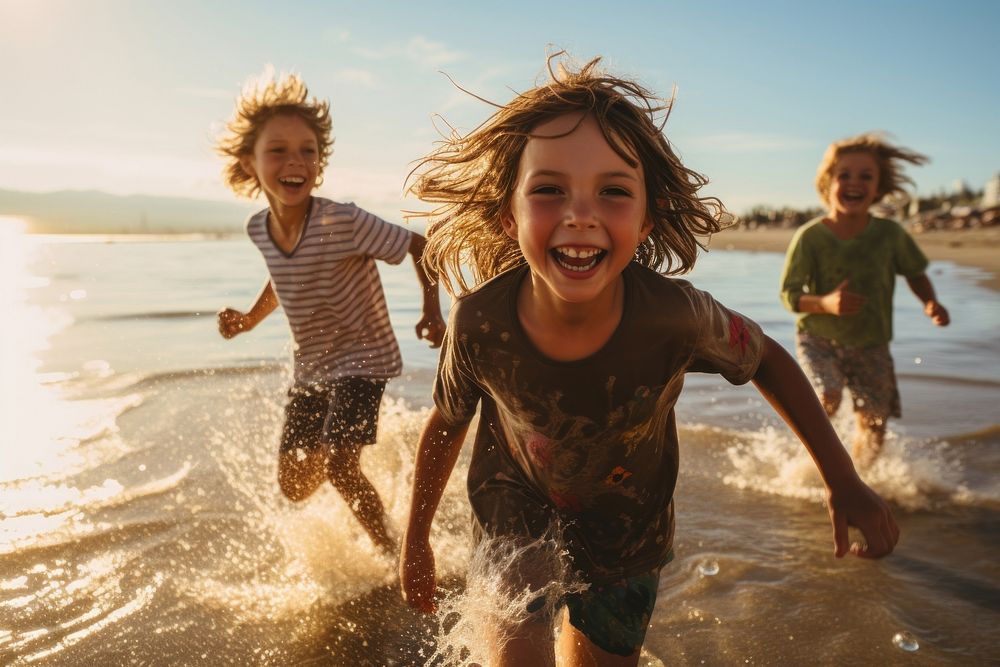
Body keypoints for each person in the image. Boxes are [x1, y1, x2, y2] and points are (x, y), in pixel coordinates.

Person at [399, 55, 900, 667]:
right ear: (510, 214)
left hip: (628, 534)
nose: (580, 213)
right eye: (550, 189)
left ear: (646, 217)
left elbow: (766, 356)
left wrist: (842, 479)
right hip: (511, 515)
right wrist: (416, 539)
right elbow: (447, 420)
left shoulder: (674, 317)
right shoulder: (481, 321)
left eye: (612, 192)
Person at [214, 70, 445, 554]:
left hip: (366, 358)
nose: (295, 161)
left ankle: (393, 553)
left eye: (308, 151)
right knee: (295, 484)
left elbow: (419, 247)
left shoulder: (343, 220)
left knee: (340, 466)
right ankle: (353, 463)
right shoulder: (259, 229)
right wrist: (251, 319)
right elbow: (283, 276)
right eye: (277, 150)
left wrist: (432, 312)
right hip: (313, 365)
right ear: (249, 162)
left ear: (319, 164)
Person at [780, 132, 950, 467]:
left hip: (871, 343)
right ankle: (812, 468)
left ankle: (861, 479)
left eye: (866, 176)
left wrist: (930, 302)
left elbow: (914, 272)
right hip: (818, 338)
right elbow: (790, 296)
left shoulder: (890, 234)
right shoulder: (810, 237)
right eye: (844, 175)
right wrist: (826, 303)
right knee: (826, 396)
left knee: (874, 420)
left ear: (879, 187)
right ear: (828, 182)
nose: (854, 183)